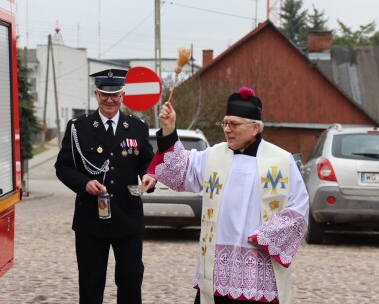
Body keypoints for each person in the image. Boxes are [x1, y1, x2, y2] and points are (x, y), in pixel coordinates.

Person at [147, 87, 309, 304]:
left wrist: (266, 236)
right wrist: (168, 131)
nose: (227, 130)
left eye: (234, 124)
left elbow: (299, 207)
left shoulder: (280, 160)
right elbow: (181, 168)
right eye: (225, 123)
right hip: (216, 265)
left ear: (255, 128)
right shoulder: (214, 155)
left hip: (258, 264)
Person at [54, 68, 157, 304]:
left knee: (131, 281)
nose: (109, 100)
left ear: (122, 95)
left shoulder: (138, 127)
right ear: (96, 94)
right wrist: (84, 183)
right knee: (91, 285)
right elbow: (63, 167)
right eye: (104, 95)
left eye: (115, 95)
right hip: (91, 219)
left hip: (127, 217)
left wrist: (148, 178)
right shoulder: (78, 128)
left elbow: (147, 163)